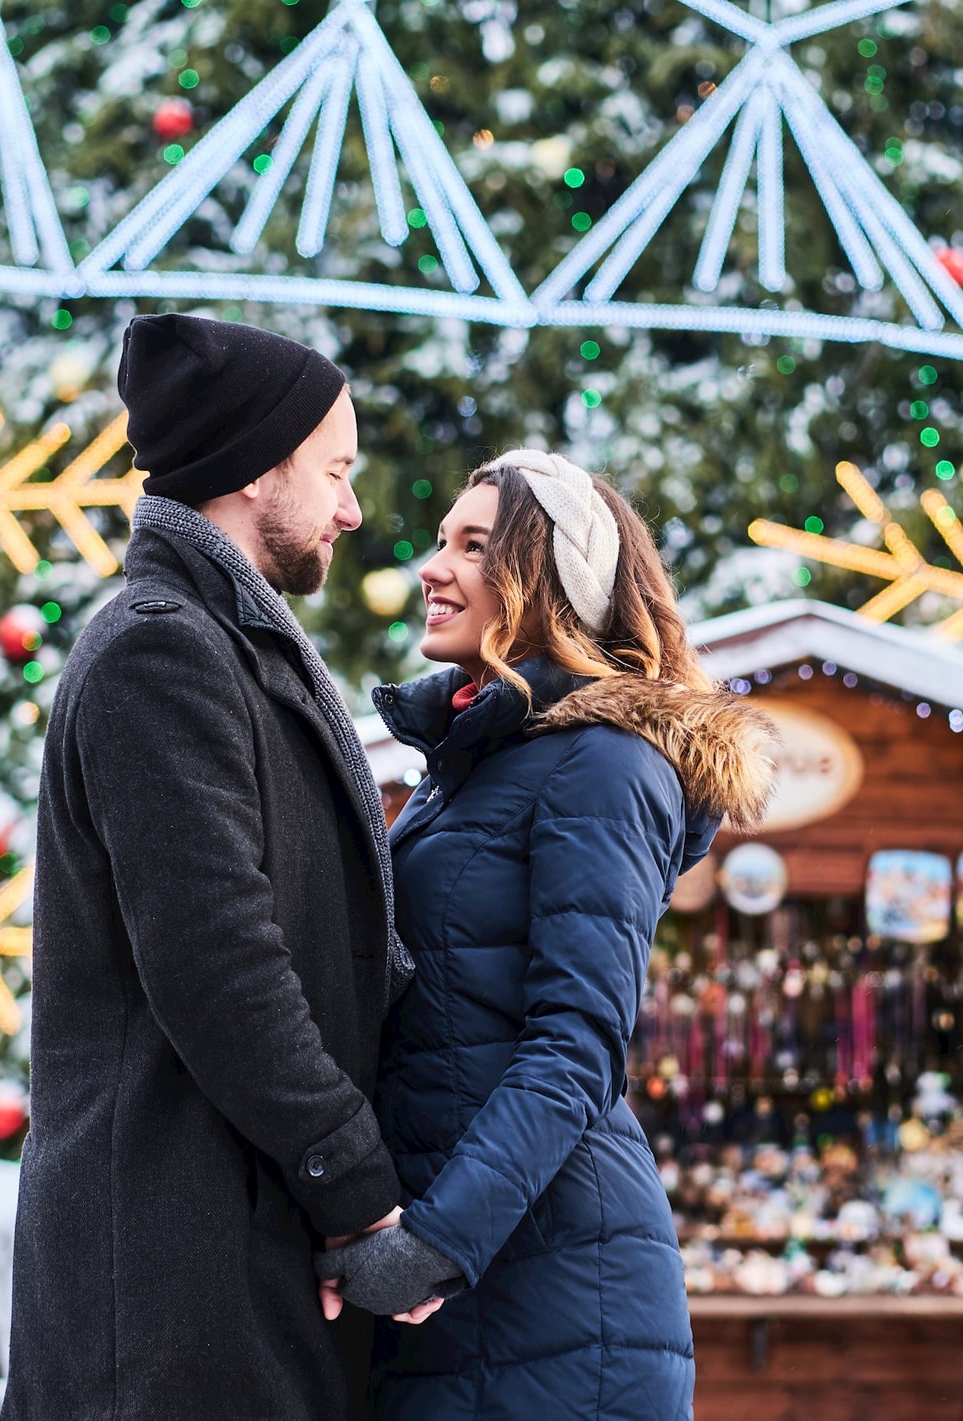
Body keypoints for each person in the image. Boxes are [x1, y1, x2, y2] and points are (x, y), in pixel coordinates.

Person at [6, 315, 413, 1419]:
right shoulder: (162, 647)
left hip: (223, 1258)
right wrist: (353, 1184)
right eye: (334, 470)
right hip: (168, 1288)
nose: (350, 507)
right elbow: (216, 957)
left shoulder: (218, 639)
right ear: (255, 468)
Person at [318, 451, 775, 1418]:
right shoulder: (474, 766)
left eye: (473, 547)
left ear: (547, 581)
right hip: (468, 1281)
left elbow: (578, 1046)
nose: (434, 568)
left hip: (558, 1296)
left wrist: (435, 1244)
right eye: (440, 542)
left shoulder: (604, 765)